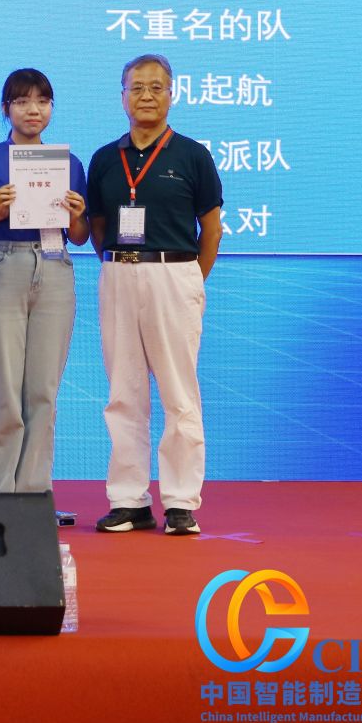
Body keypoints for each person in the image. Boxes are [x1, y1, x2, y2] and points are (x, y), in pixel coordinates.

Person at [87, 53, 223, 537]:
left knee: (179, 393)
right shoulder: (105, 158)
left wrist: (190, 279)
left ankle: (181, 502)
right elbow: (98, 226)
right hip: (119, 273)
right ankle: (129, 500)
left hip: (175, 274)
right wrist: (123, 265)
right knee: (123, 393)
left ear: (172, 94)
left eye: (156, 87)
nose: (146, 95)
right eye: (137, 87)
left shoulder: (192, 155)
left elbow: (211, 228)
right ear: (122, 96)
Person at [0, 69, 89, 523]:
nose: (34, 110)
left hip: (54, 267)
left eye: (43, 101)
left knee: (43, 392)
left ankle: (33, 499)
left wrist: (76, 215)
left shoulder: (68, 163)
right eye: (23, 101)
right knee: (4, 392)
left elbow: (80, 237)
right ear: (5, 108)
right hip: (2, 264)